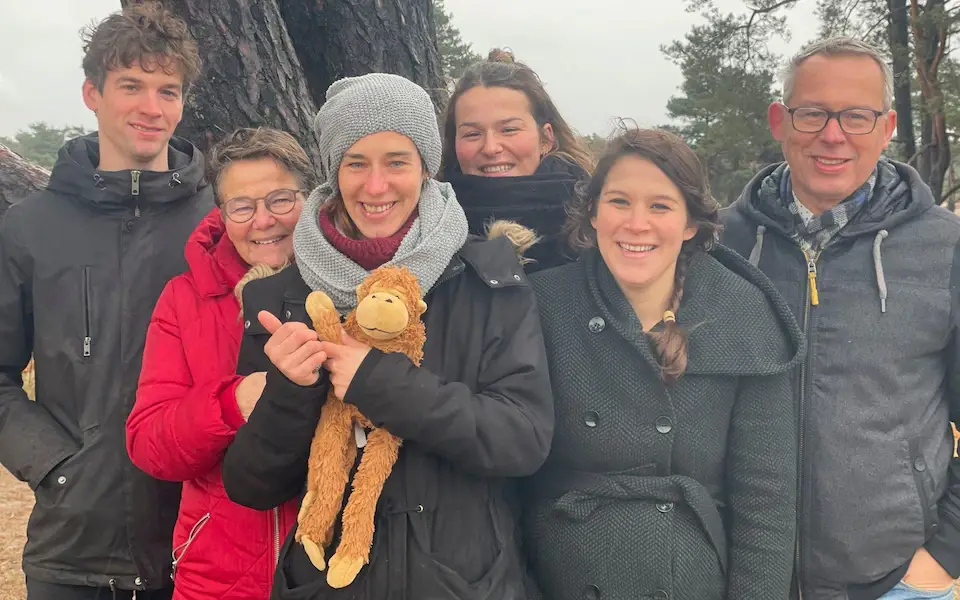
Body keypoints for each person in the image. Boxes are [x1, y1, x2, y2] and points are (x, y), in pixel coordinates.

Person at [218, 72, 554, 600]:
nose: (376, 187)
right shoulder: (279, 297)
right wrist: (289, 391)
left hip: (464, 586)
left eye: (396, 161)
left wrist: (377, 381)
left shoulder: (488, 277)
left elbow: (521, 440)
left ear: (425, 167)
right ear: (334, 171)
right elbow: (252, 485)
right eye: (356, 163)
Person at [721, 36, 960, 600]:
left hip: (896, 580)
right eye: (813, 113)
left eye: (856, 116)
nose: (833, 135)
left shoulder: (946, 248)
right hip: (742, 575)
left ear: (887, 126)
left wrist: (946, 554)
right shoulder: (718, 242)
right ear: (779, 120)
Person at [526, 127, 802, 600]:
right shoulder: (542, 304)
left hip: (690, 579)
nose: (637, 224)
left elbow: (765, 503)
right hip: (557, 574)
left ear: (691, 222)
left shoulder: (742, 313)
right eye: (618, 202)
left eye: (660, 206)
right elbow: (503, 478)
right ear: (592, 212)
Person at [0, 4, 211, 600]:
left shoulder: (219, 223)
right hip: (71, 554)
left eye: (167, 90)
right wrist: (54, 466)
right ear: (92, 93)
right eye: (131, 86)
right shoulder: (30, 227)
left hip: (197, 546)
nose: (151, 107)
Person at [126, 127, 315, 599]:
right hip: (218, 573)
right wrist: (233, 402)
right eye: (242, 207)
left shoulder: (354, 283)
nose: (263, 221)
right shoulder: (186, 300)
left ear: (310, 199)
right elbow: (149, 442)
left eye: (280, 200)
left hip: (338, 567)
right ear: (222, 214)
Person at [439, 48, 594, 273]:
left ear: (546, 138)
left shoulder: (595, 224)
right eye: (472, 134)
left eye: (509, 129)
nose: (491, 148)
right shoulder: (428, 233)